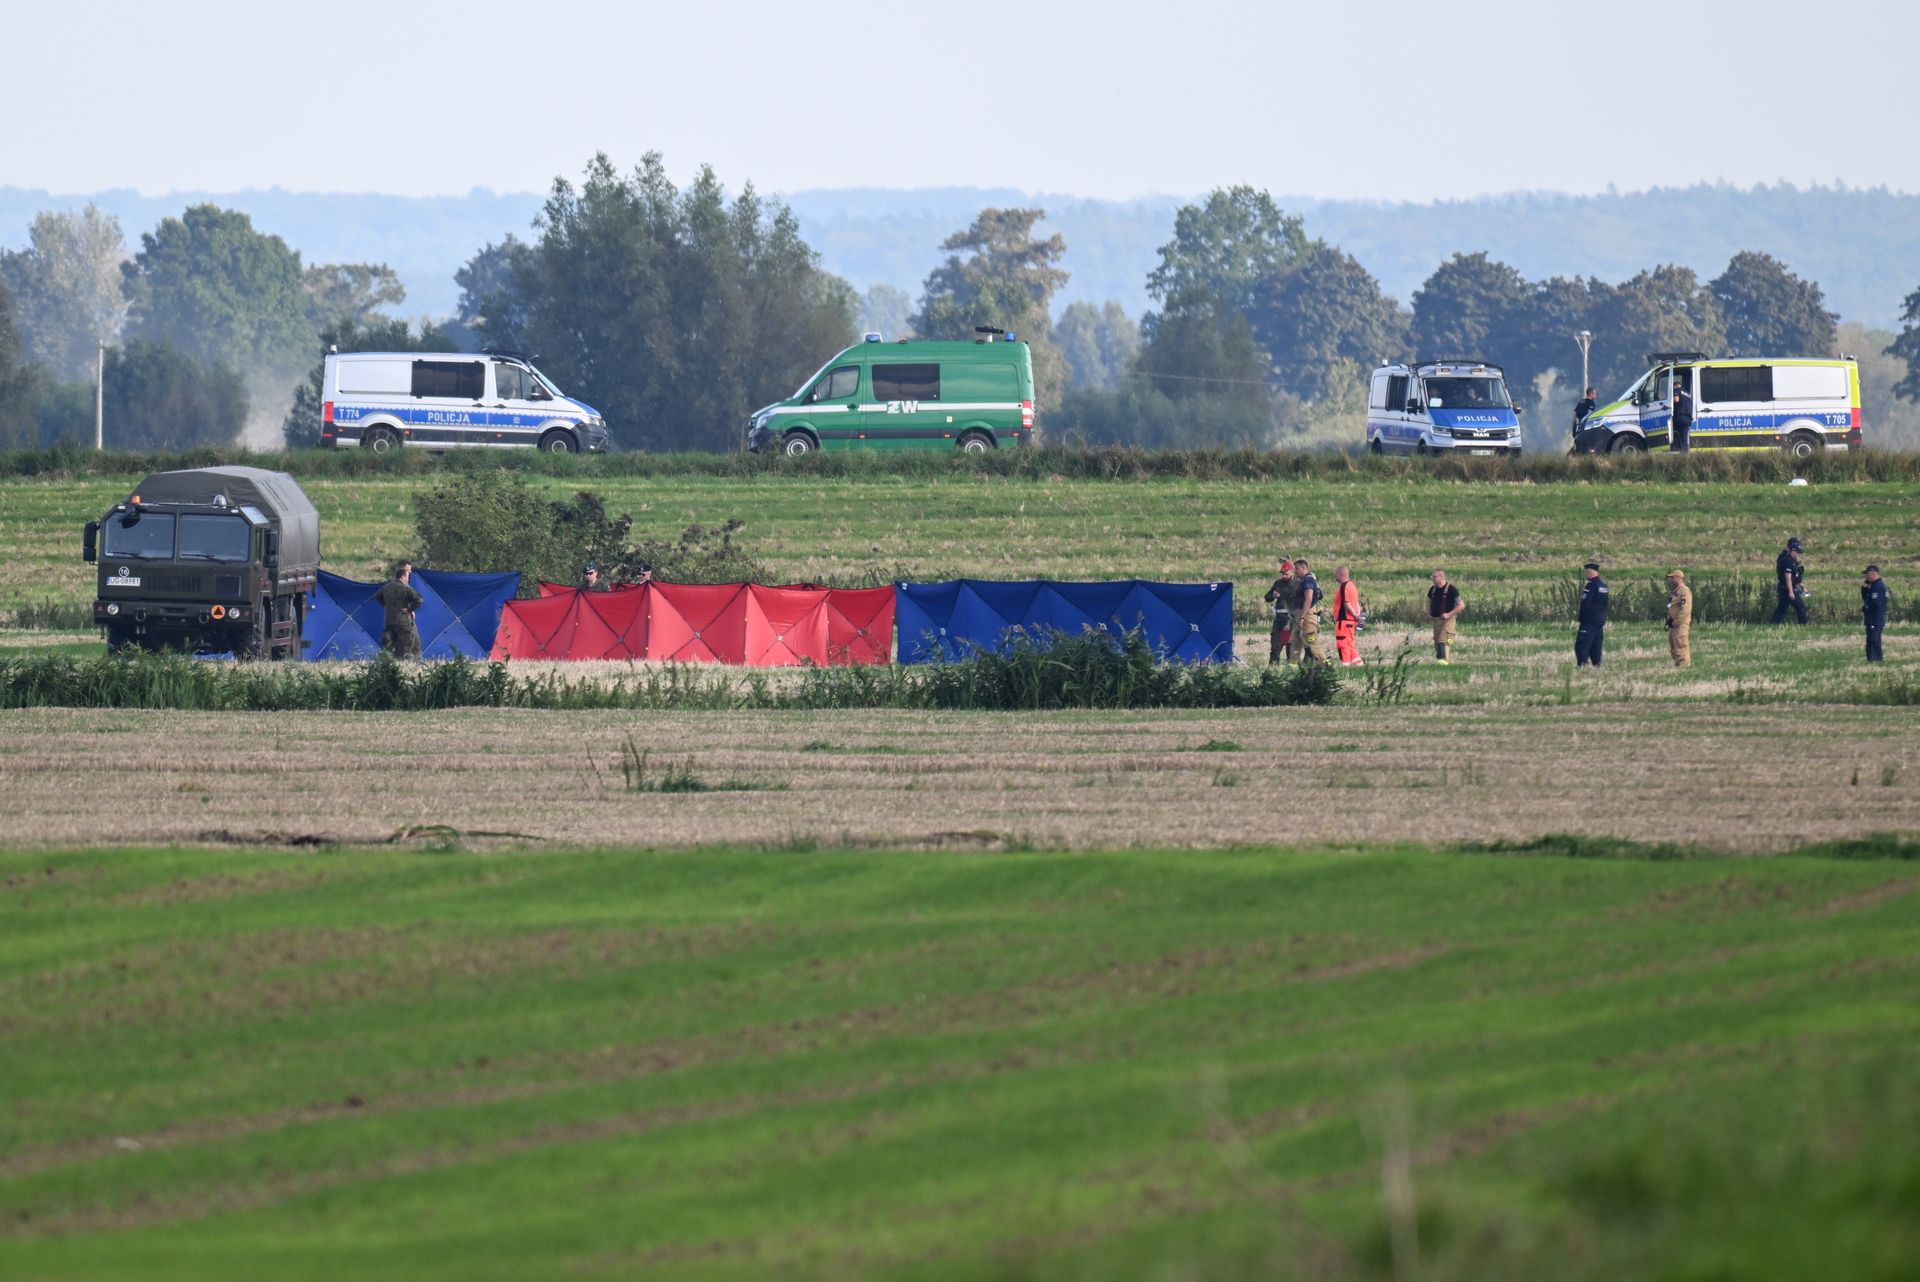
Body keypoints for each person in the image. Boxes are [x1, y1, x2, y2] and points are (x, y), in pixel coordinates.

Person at [375, 559, 423, 658]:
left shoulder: (387, 587)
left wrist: (388, 605)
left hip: (390, 621)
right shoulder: (406, 588)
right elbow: (419, 600)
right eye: (408, 572)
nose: (410, 574)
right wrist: (410, 609)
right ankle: (411, 665)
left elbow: (378, 597)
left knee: (392, 648)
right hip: (404, 622)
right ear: (403, 574)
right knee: (408, 648)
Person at [1289, 558, 1328, 666]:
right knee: (1295, 642)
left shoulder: (1308, 581)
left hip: (1306, 616)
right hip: (1299, 616)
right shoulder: (1303, 581)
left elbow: (1309, 599)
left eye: (1296, 568)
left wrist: (1302, 617)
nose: (1295, 571)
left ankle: (1326, 666)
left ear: (1303, 568)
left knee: (1312, 643)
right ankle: (1293, 668)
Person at [1575, 562, 1609, 668]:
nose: (1586, 575)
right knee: (1596, 644)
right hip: (1599, 620)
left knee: (1581, 644)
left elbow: (1586, 603)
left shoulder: (1590, 586)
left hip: (1589, 621)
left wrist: (1583, 617)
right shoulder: (1603, 586)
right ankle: (1597, 665)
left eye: (1587, 572)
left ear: (1590, 572)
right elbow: (1605, 603)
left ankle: (1582, 665)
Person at [1427, 569, 1462, 664]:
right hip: (1436, 621)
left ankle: (1443, 662)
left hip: (1448, 620)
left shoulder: (1451, 590)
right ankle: (1444, 663)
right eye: (1432, 577)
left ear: (1441, 577)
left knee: (1443, 641)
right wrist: (1429, 612)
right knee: (1438, 644)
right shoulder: (1432, 590)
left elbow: (1461, 605)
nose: (1432, 579)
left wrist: (1449, 614)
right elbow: (1429, 601)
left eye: (1434, 577)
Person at [1263, 558, 1294, 665]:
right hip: (1279, 619)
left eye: (1286, 573)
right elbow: (1267, 597)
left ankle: (1290, 670)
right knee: (1275, 648)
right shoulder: (1278, 583)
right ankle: (1273, 669)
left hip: (1291, 620)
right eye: (1282, 573)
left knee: (1291, 649)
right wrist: (1273, 596)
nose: (1284, 576)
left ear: (1292, 572)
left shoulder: (1297, 584)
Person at [1332, 566, 1365, 667]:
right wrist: (1357, 616)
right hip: (1351, 621)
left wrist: (1355, 616)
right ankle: (1359, 664)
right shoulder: (1352, 586)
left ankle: (1345, 665)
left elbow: (1347, 604)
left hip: (1344, 621)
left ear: (1341, 575)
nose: (1334, 576)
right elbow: (1356, 603)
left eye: (1336, 574)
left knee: (1342, 644)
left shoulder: (1344, 587)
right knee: (1349, 644)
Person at [1772, 537, 1808, 624]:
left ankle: (1774, 623)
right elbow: (1788, 576)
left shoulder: (1790, 560)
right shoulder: (1788, 560)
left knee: (1782, 608)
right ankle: (1803, 625)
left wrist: (1802, 586)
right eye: (1797, 552)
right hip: (1787, 589)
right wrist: (1791, 592)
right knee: (1801, 607)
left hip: (1785, 588)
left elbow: (1796, 576)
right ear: (1793, 551)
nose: (1798, 555)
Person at [1665, 569, 1692, 668]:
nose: (1671, 580)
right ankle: (1678, 663)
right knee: (1674, 644)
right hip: (1673, 623)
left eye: (1673, 577)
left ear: (1679, 578)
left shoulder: (1684, 591)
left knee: (1680, 643)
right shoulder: (1676, 592)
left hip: (1680, 623)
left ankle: (1684, 664)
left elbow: (1685, 608)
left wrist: (1678, 621)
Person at [1862, 565, 1889, 663]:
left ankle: (1875, 660)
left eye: (1867, 574)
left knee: (1873, 640)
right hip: (1872, 619)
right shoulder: (1873, 586)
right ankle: (1873, 659)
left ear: (1873, 574)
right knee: (1872, 640)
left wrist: (1865, 608)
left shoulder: (1878, 587)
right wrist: (1864, 589)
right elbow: (1866, 599)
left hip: (1875, 619)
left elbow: (1875, 604)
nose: (1866, 577)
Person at [1669, 369, 1694, 453]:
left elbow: (1676, 399)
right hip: (1687, 418)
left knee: (1668, 428)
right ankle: (1685, 453)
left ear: (1675, 385)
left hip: (1679, 417)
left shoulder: (1676, 391)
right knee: (1684, 438)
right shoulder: (1687, 393)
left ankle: (1674, 447)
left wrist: (1668, 402)